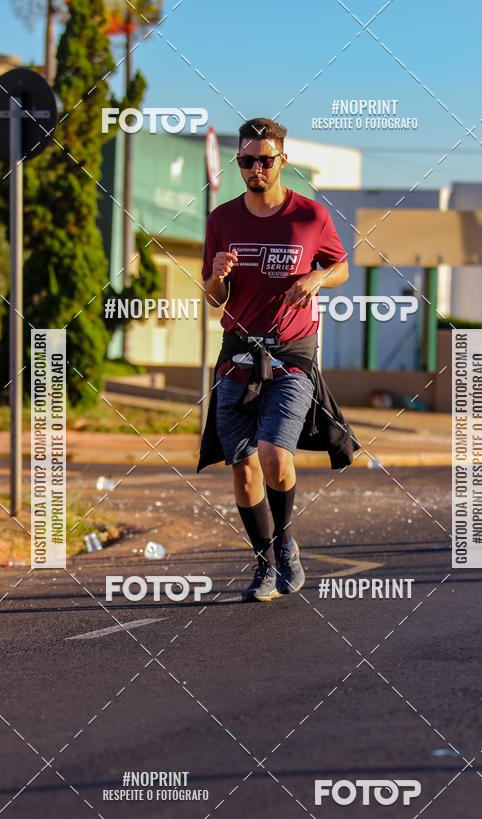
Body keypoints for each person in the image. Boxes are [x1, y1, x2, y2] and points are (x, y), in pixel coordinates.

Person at [198, 117, 356, 600]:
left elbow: (341, 267)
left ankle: (285, 543)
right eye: (246, 160)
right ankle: (264, 563)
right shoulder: (222, 219)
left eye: (265, 160)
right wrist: (218, 277)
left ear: (281, 161)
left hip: (290, 354)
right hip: (237, 356)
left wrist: (315, 279)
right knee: (242, 467)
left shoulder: (310, 216)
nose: (255, 169)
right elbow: (212, 298)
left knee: (273, 455)